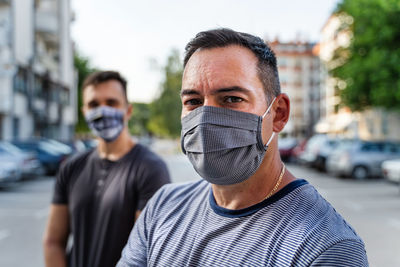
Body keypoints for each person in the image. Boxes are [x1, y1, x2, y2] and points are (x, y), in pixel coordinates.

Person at [117, 29, 368, 266]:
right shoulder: (163, 207)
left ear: (278, 114)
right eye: (193, 101)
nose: (206, 118)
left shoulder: (326, 247)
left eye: (231, 99)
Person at [43, 71, 171, 267]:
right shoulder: (71, 167)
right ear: (84, 111)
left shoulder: (150, 169)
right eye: (94, 104)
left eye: (111, 103)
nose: (102, 111)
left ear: (128, 111)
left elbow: (147, 252)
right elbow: (53, 242)